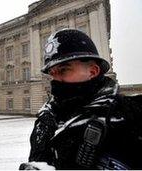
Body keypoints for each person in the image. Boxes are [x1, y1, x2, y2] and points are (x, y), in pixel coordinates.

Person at [19, 29, 142, 170]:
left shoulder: (131, 115)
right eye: (52, 74)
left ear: (93, 71)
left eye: (64, 70)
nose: (55, 80)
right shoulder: (46, 118)